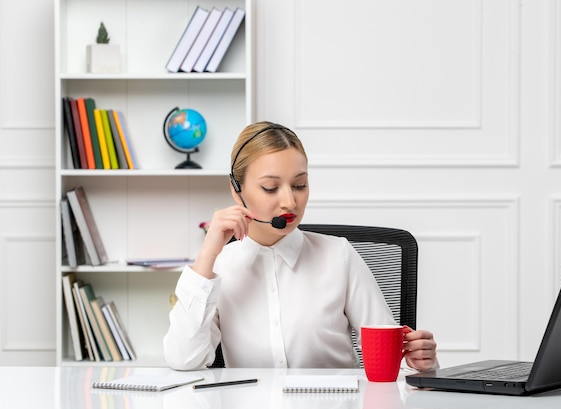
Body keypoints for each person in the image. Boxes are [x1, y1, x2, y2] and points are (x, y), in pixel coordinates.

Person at [163, 121, 438, 371]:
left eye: (300, 185)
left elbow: (392, 364)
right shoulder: (219, 268)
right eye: (270, 188)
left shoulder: (339, 256)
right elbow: (184, 360)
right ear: (237, 191)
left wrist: (421, 363)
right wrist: (207, 255)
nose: (290, 202)